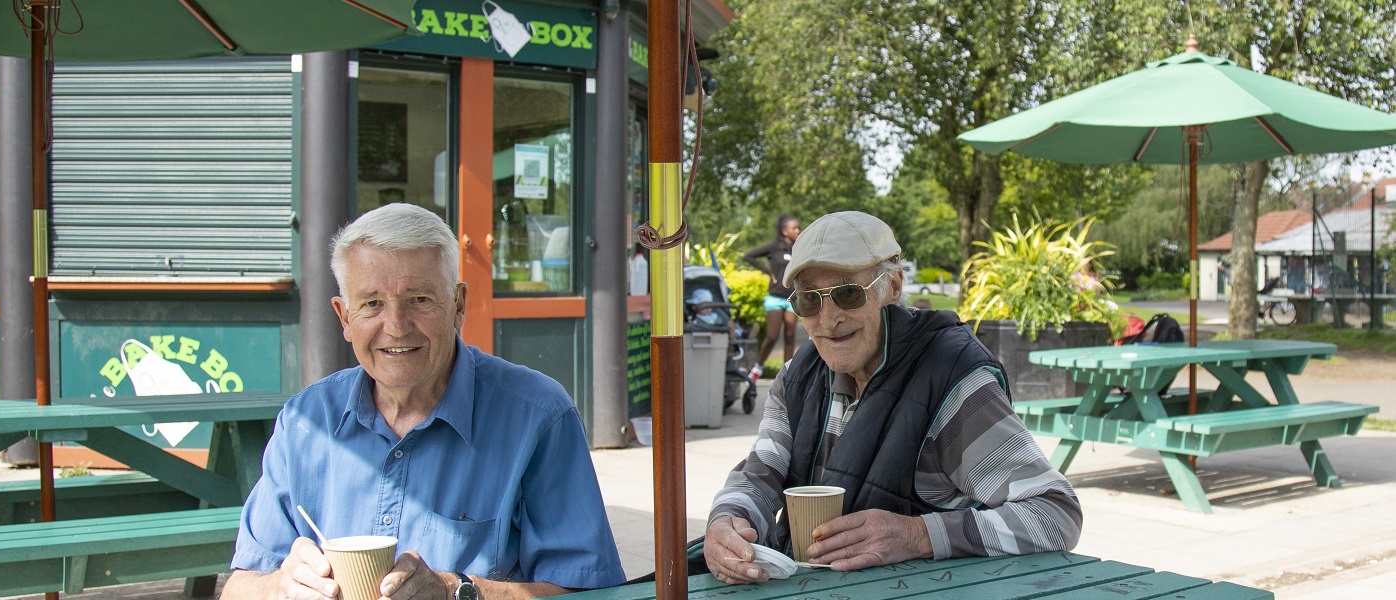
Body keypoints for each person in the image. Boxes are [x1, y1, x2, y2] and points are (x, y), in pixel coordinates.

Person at [223, 203, 625, 600]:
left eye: (418, 299)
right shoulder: (304, 422)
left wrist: (459, 591)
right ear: (344, 317)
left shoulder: (538, 417)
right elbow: (238, 587)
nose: (396, 327)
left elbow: (591, 592)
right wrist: (280, 586)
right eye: (372, 303)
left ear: (459, 305)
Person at [703, 211, 1082, 585]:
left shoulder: (953, 381)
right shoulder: (796, 377)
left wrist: (917, 535)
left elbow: (1054, 514)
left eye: (847, 293)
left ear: (893, 287)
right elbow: (758, 476)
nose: (829, 317)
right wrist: (728, 521)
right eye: (809, 301)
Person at [741, 215, 801, 382]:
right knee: (772, 337)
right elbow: (749, 256)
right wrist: (767, 271)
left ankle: (786, 373)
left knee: (790, 336)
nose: (798, 231)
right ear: (784, 231)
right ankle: (757, 368)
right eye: (794, 228)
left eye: (798, 228)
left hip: (791, 298)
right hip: (775, 297)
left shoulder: (798, 248)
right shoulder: (774, 247)